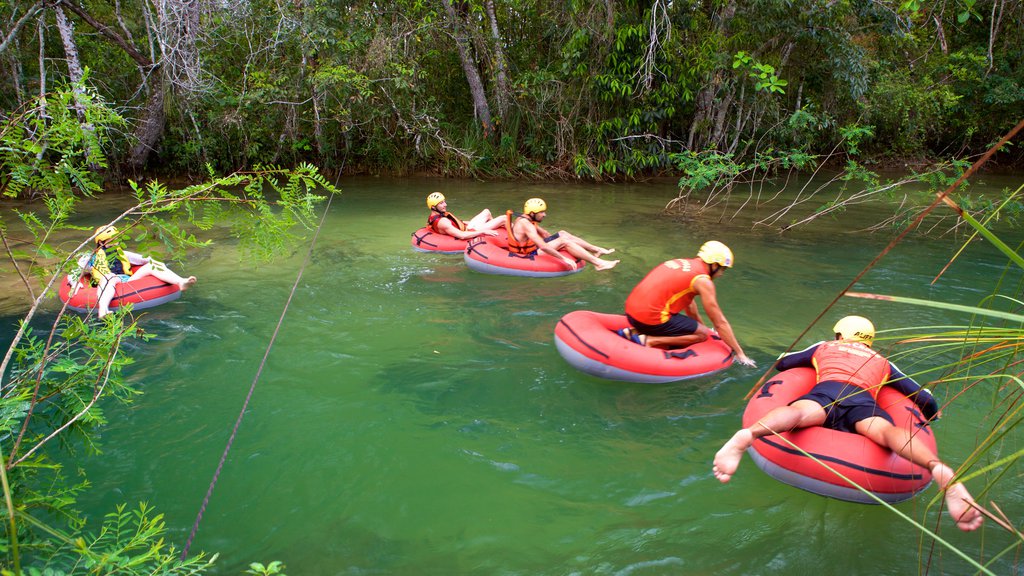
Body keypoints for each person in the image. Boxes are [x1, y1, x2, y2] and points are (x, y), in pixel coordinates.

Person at [712, 315, 984, 532]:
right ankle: (939, 469)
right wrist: (932, 413)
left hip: (826, 394)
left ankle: (748, 435)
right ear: (869, 340)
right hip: (863, 402)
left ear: (840, 335)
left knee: (797, 414)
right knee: (886, 433)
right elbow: (922, 396)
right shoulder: (882, 361)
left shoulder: (825, 347)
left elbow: (785, 362)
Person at [619, 241, 755, 366]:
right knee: (701, 335)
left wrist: (702, 326)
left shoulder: (682, 263)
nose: (721, 274)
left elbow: (689, 305)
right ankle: (650, 340)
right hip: (650, 319)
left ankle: (634, 331)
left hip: (631, 314)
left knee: (698, 329)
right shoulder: (703, 280)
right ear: (714, 265)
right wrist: (739, 353)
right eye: (722, 269)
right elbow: (719, 322)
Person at [82, 225, 197, 318]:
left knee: (152, 265)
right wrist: (73, 284)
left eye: (117, 238)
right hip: (108, 281)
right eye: (112, 239)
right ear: (101, 243)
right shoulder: (90, 258)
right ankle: (103, 311)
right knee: (109, 277)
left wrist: (158, 263)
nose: (116, 242)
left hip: (127, 281)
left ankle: (181, 281)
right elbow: (76, 272)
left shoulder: (123, 253)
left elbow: (146, 259)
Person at [507, 198, 619, 271]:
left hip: (531, 247)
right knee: (564, 241)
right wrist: (564, 258)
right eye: (541, 212)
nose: (544, 215)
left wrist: (553, 239)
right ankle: (598, 264)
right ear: (532, 213)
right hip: (528, 253)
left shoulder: (524, 217)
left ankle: (596, 249)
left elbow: (545, 234)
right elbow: (543, 247)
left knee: (562, 233)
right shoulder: (526, 224)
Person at [426, 192, 507, 240]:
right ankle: (516, 238)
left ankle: (496, 233)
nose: (445, 204)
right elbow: (462, 235)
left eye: (444, 202)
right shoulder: (442, 222)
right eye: (441, 203)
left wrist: (467, 222)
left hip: (466, 228)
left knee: (487, 212)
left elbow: (455, 222)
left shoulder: (435, 215)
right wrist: (483, 231)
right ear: (433, 207)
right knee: (505, 218)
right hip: (470, 232)